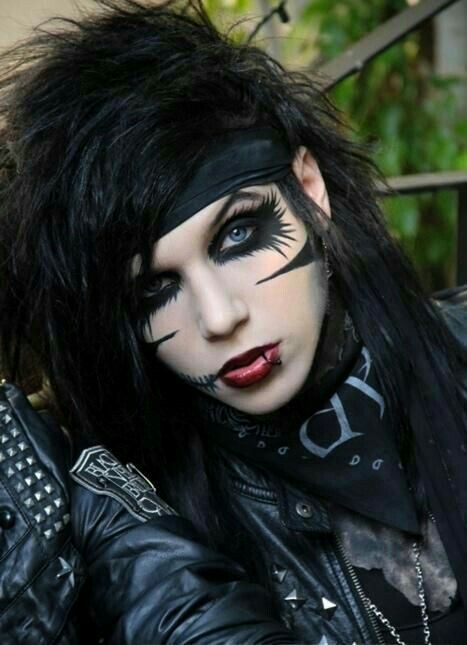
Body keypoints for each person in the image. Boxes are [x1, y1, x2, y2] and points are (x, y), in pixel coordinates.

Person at [0, 1, 466, 643]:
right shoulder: (130, 509)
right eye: (154, 290)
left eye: (239, 235)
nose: (220, 317)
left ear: (310, 189)